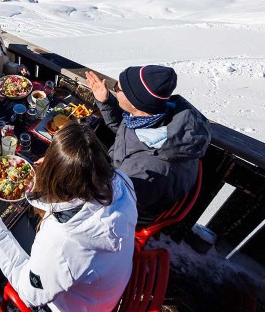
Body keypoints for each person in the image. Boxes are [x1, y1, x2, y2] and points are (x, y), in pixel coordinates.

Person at [0, 123, 137, 312]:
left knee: (0, 227)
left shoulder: (62, 241)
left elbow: (29, 294)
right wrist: (58, 170)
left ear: (60, 180)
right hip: (105, 286)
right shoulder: (121, 180)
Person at [86, 66, 211, 225]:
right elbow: (128, 134)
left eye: (118, 88)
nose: (115, 90)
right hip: (119, 177)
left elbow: (110, 205)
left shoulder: (144, 169)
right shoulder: (158, 118)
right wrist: (106, 102)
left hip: (125, 211)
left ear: (136, 103)